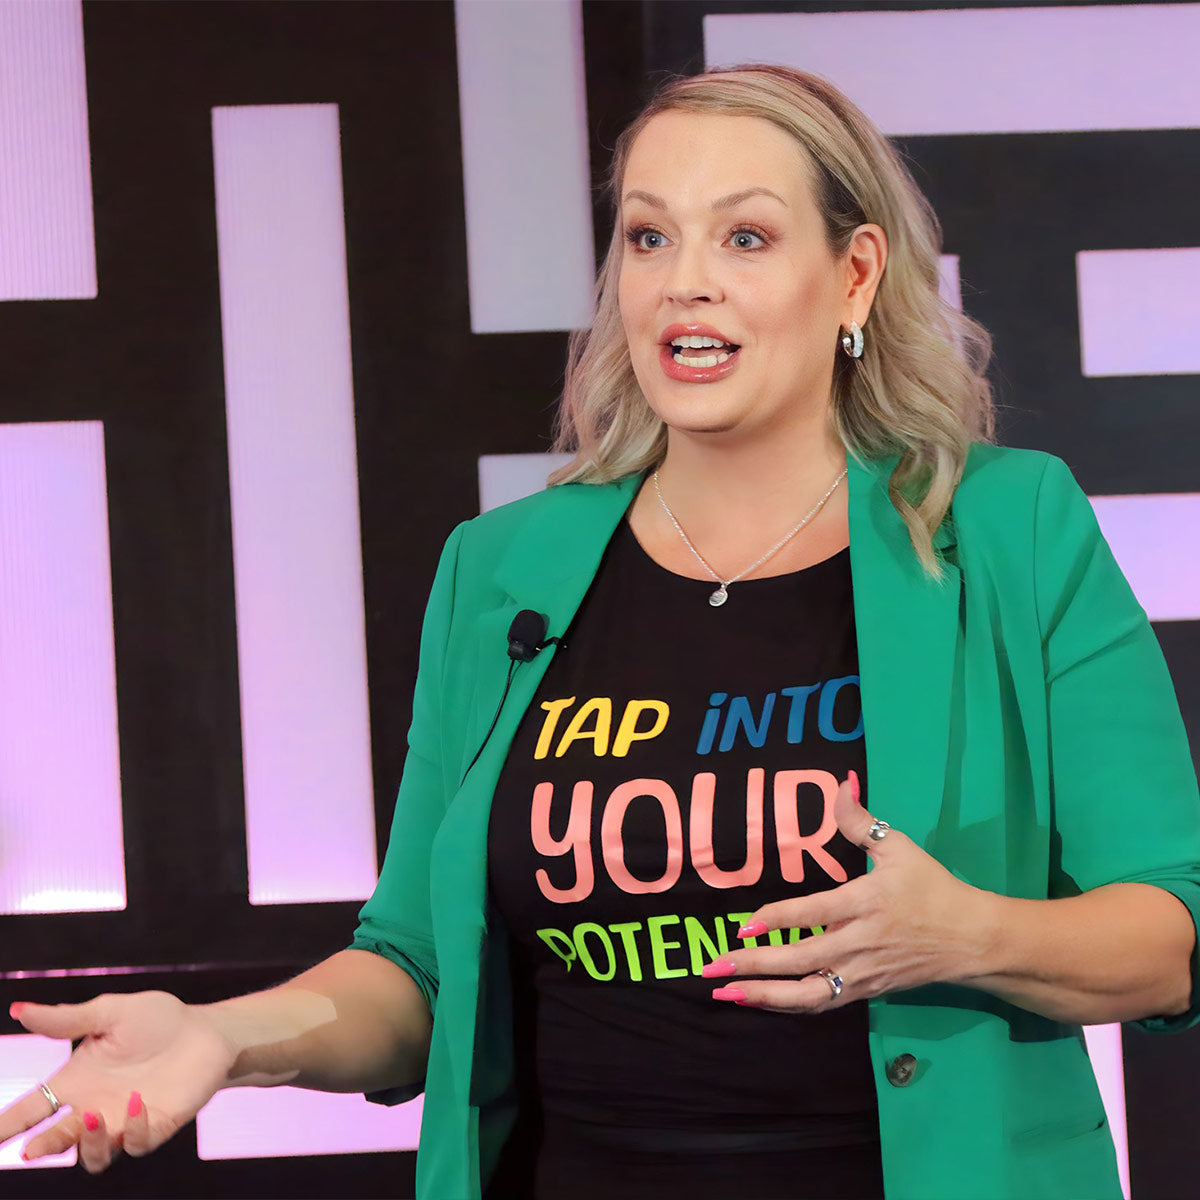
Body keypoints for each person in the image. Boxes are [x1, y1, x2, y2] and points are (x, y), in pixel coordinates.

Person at [3, 64, 1198, 1200]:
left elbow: (1171, 933)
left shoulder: (1005, 528)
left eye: (744, 236)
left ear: (855, 275)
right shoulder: (501, 568)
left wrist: (966, 934)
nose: (685, 282)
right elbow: (418, 970)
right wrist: (220, 1036)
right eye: (647, 236)